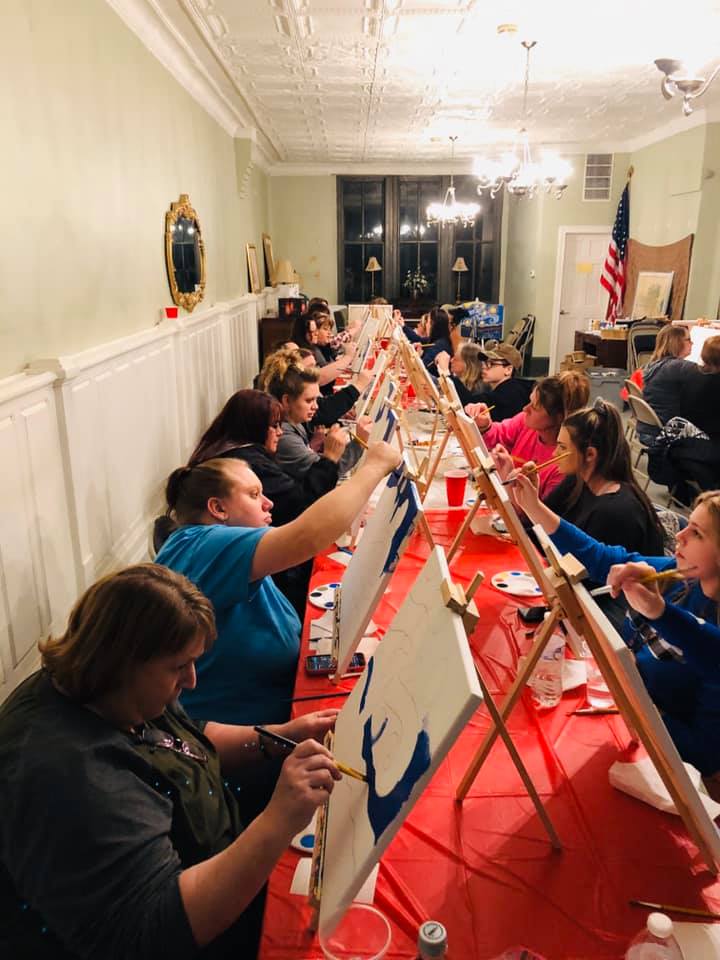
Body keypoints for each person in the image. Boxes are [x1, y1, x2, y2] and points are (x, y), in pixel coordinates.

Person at [0, 563, 341, 959]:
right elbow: (157, 930)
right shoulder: (68, 779)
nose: (192, 680)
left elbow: (188, 740)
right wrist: (278, 820)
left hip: (220, 870)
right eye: (180, 667)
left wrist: (280, 737)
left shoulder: (107, 688)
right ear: (122, 662)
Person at [155, 441, 399, 729]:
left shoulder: (221, 546)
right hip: (238, 735)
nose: (268, 503)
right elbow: (307, 536)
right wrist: (374, 466)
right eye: (253, 494)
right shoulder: (204, 546)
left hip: (270, 716)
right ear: (218, 508)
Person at [512, 480, 720, 776]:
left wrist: (634, 704)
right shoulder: (679, 576)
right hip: (614, 711)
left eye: (697, 533)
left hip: (650, 758)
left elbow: (704, 754)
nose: (680, 535)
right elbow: (600, 557)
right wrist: (533, 507)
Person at [181, 389, 348, 617]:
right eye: (274, 426)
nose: (280, 432)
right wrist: (330, 459)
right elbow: (299, 505)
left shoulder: (227, 450)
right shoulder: (246, 461)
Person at [543, 399, 665, 556]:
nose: (555, 454)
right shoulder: (577, 480)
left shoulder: (616, 513)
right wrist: (525, 498)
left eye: (562, 447)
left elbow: (585, 566)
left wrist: (531, 504)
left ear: (590, 454)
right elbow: (538, 527)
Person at [466, 370, 590, 500]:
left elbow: (536, 510)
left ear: (559, 418)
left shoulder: (564, 462)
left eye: (535, 407)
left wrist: (508, 474)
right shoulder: (526, 422)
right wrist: (485, 425)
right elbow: (499, 435)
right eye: (530, 401)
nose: (525, 409)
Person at [265, 357, 371, 481]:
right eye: (309, 400)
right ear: (287, 400)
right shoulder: (284, 437)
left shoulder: (294, 421)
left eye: (316, 399)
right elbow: (325, 475)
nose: (315, 406)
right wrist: (359, 442)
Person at [640, 324, 695, 443]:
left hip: (649, 429)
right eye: (688, 340)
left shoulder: (655, 364)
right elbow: (707, 376)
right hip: (664, 434)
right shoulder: (676, 366)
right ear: (677, 342)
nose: (692, 343)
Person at [434, 341, 490, 405]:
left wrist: (445, 372)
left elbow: (463, 402)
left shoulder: (480, 388)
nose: (451, 360)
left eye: (456, 359)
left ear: (468, 364)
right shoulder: (459, 381)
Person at [418, 307, 453, 374]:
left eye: (427, 322)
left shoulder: (439, 346)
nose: (426, 325)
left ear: (433, 325)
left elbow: (421, 369)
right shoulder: (442, 341)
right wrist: (421, 355)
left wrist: (418, 357)